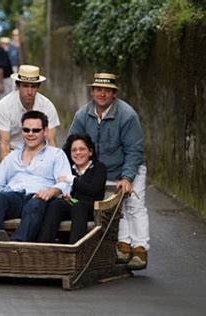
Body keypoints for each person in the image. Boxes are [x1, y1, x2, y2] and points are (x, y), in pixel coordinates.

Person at [68, 73, 149, 270]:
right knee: (112, 210)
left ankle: (140, 249)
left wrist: (127, 177)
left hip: (128, 167)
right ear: (92, 91)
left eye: (107, 90)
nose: (102, 94)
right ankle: (122, 247)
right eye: (98, 89)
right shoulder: (82, 115)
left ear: (114, 94)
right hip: (100, 171)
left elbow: (134, 149)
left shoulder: (127, 115)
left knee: (134, 206)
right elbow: (71, 144)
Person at [0, 110, 72, 241]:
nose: (30, 134)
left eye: (35, 130)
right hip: (15, 196)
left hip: (39, 198)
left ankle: (16, 243)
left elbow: (66, 182)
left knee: (34, 205)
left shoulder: (56, 154)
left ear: (45, 131)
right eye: (26, 130)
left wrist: (51, 191)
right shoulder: (13, 156)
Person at [0, 65, 60, 175]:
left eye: (33, 87)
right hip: (9, 149)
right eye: (25, 86)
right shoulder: (4, 105)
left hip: (38, 153)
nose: (29, 91)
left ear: (38, 87)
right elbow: (4, 144)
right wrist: (5, 174)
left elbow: (51, 141)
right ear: (18, 86)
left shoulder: (47, 106)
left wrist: (56, 170)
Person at [38, 134, 107, 244]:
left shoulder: (99, 168)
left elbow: (94, 189)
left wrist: (72, 180)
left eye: (82, 149)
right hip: (72, 205)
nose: (78, 153)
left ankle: (75, 249)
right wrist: (65, 195)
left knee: (78, 206)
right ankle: (44, 245)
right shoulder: (68, 169)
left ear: (90, 152)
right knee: (56, 204)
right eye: (74, 150)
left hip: (92, 208)